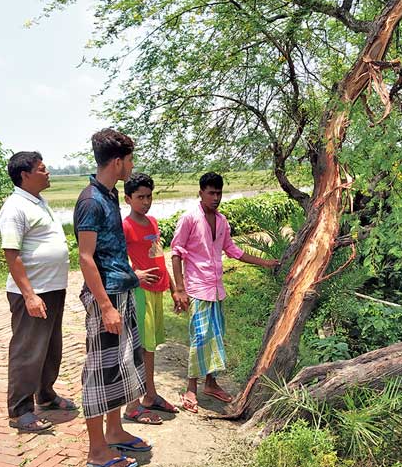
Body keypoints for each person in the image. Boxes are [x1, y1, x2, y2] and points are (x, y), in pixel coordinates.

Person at [170, 172, 279, 413]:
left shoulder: (222, 221)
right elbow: (176, 252)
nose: (216, 197)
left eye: (219, 193)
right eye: (211, 193)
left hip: (217, 289)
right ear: (200, 193)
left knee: (216, 337)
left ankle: (211, 383)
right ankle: (191, 388)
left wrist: (266, 262)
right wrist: (179, 289)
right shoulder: (189, 218)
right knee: (200, 336)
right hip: (197, 288)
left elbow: (232, 250)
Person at [74, 128, 150, 467]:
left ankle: (115, 431)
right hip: (106, 297)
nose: (132, 166)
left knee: (120, 366)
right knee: (99, 371)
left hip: (121, 289)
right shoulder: (90, 200)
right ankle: (96, 452)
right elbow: (86, 257)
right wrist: (105, 306)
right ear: (117, 162)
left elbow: (109, 251)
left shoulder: (110, 193)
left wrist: (132, 277)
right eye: (130, 160)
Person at [0, 151, 75, 432]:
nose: (48, 172)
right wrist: (29, 295)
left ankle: (45, 394)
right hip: (33, 292)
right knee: (27, 350)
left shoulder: (38, 202)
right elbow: (11, 253)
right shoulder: (14, 207)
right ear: (25, 175)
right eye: (42, 169)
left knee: (51, 347)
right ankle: (20, 411)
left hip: (53, 287)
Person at [121, 173, 179, 425]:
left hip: (157, 292)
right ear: (128, 199)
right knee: (140, 347)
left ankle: (150, 395)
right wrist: (135, 274)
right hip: (140, 292)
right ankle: (132, 406)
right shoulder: (125, 226)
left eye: (149, 196)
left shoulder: (153, 223)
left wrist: (175, 289)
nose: (146, 202)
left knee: (151, 346)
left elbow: (159, 257)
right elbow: (117, 260)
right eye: (140, 197)